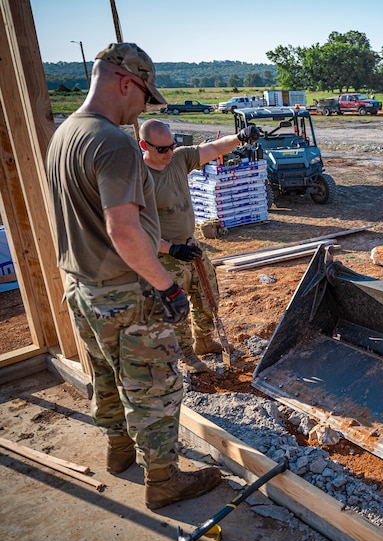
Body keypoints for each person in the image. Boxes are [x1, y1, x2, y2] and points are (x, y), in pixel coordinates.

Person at [45, 42, 222, 510]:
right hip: (126, 293)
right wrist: (166, 286)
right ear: (126, 81)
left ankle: (119, 452)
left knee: (105, 375)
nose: (144, 107)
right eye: (145, 95)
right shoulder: (113, 141)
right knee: (155, 388)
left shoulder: (63, 135)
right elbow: (123, 229)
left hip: (81, 289)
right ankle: (163, 481)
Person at [139, 120, 259, 373]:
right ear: (144, 146)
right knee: (177, 306)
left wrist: (240, 137)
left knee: (207, 297)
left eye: (172, 146)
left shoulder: (179, 159)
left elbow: (214, 148)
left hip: (191, 246)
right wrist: (170, 249)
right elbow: (135, 231)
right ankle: (186, 354)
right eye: (162, 149)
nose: (169, 153)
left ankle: (203, 340)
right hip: (164, 255)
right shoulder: (137, 177)